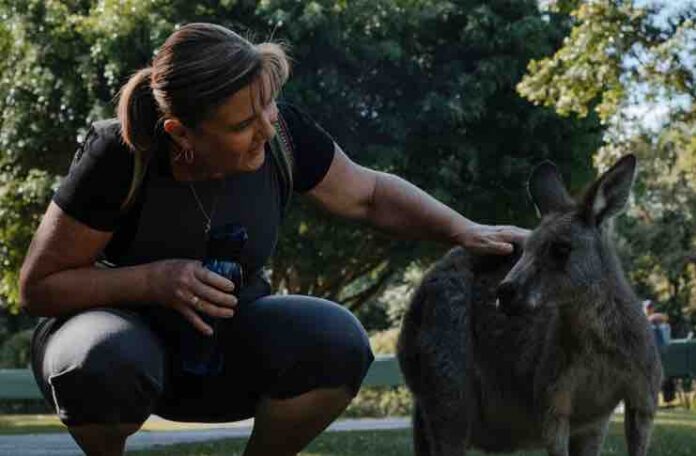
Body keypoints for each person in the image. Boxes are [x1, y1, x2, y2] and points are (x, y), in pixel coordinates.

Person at [19, 23, 529, 456]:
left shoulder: (281, 133)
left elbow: (369, 194)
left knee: (336, 341)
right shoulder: (120, 156)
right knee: (103, 359)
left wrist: (464, 231)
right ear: (180, 133)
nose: (265, 128)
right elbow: (39, 286)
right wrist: (157, 280)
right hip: (121, 349)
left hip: (222, 347)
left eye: (269, 108)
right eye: (243, 123)